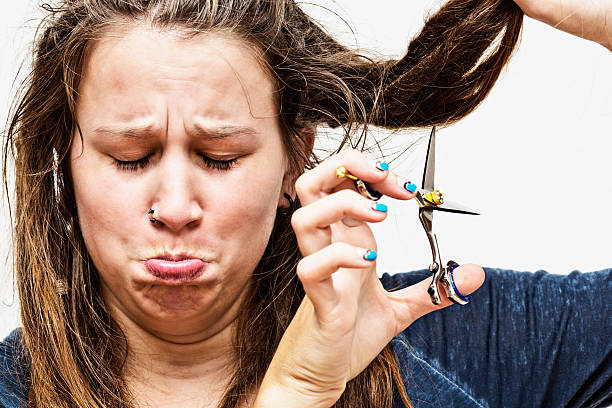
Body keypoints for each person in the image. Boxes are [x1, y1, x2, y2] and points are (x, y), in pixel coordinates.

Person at [0, 0, 610, 407]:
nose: (176, 207)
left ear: (295, 158)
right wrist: (299, 391)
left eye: (220, 156)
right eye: (131, 156)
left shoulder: (456, 335)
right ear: (63, 157)